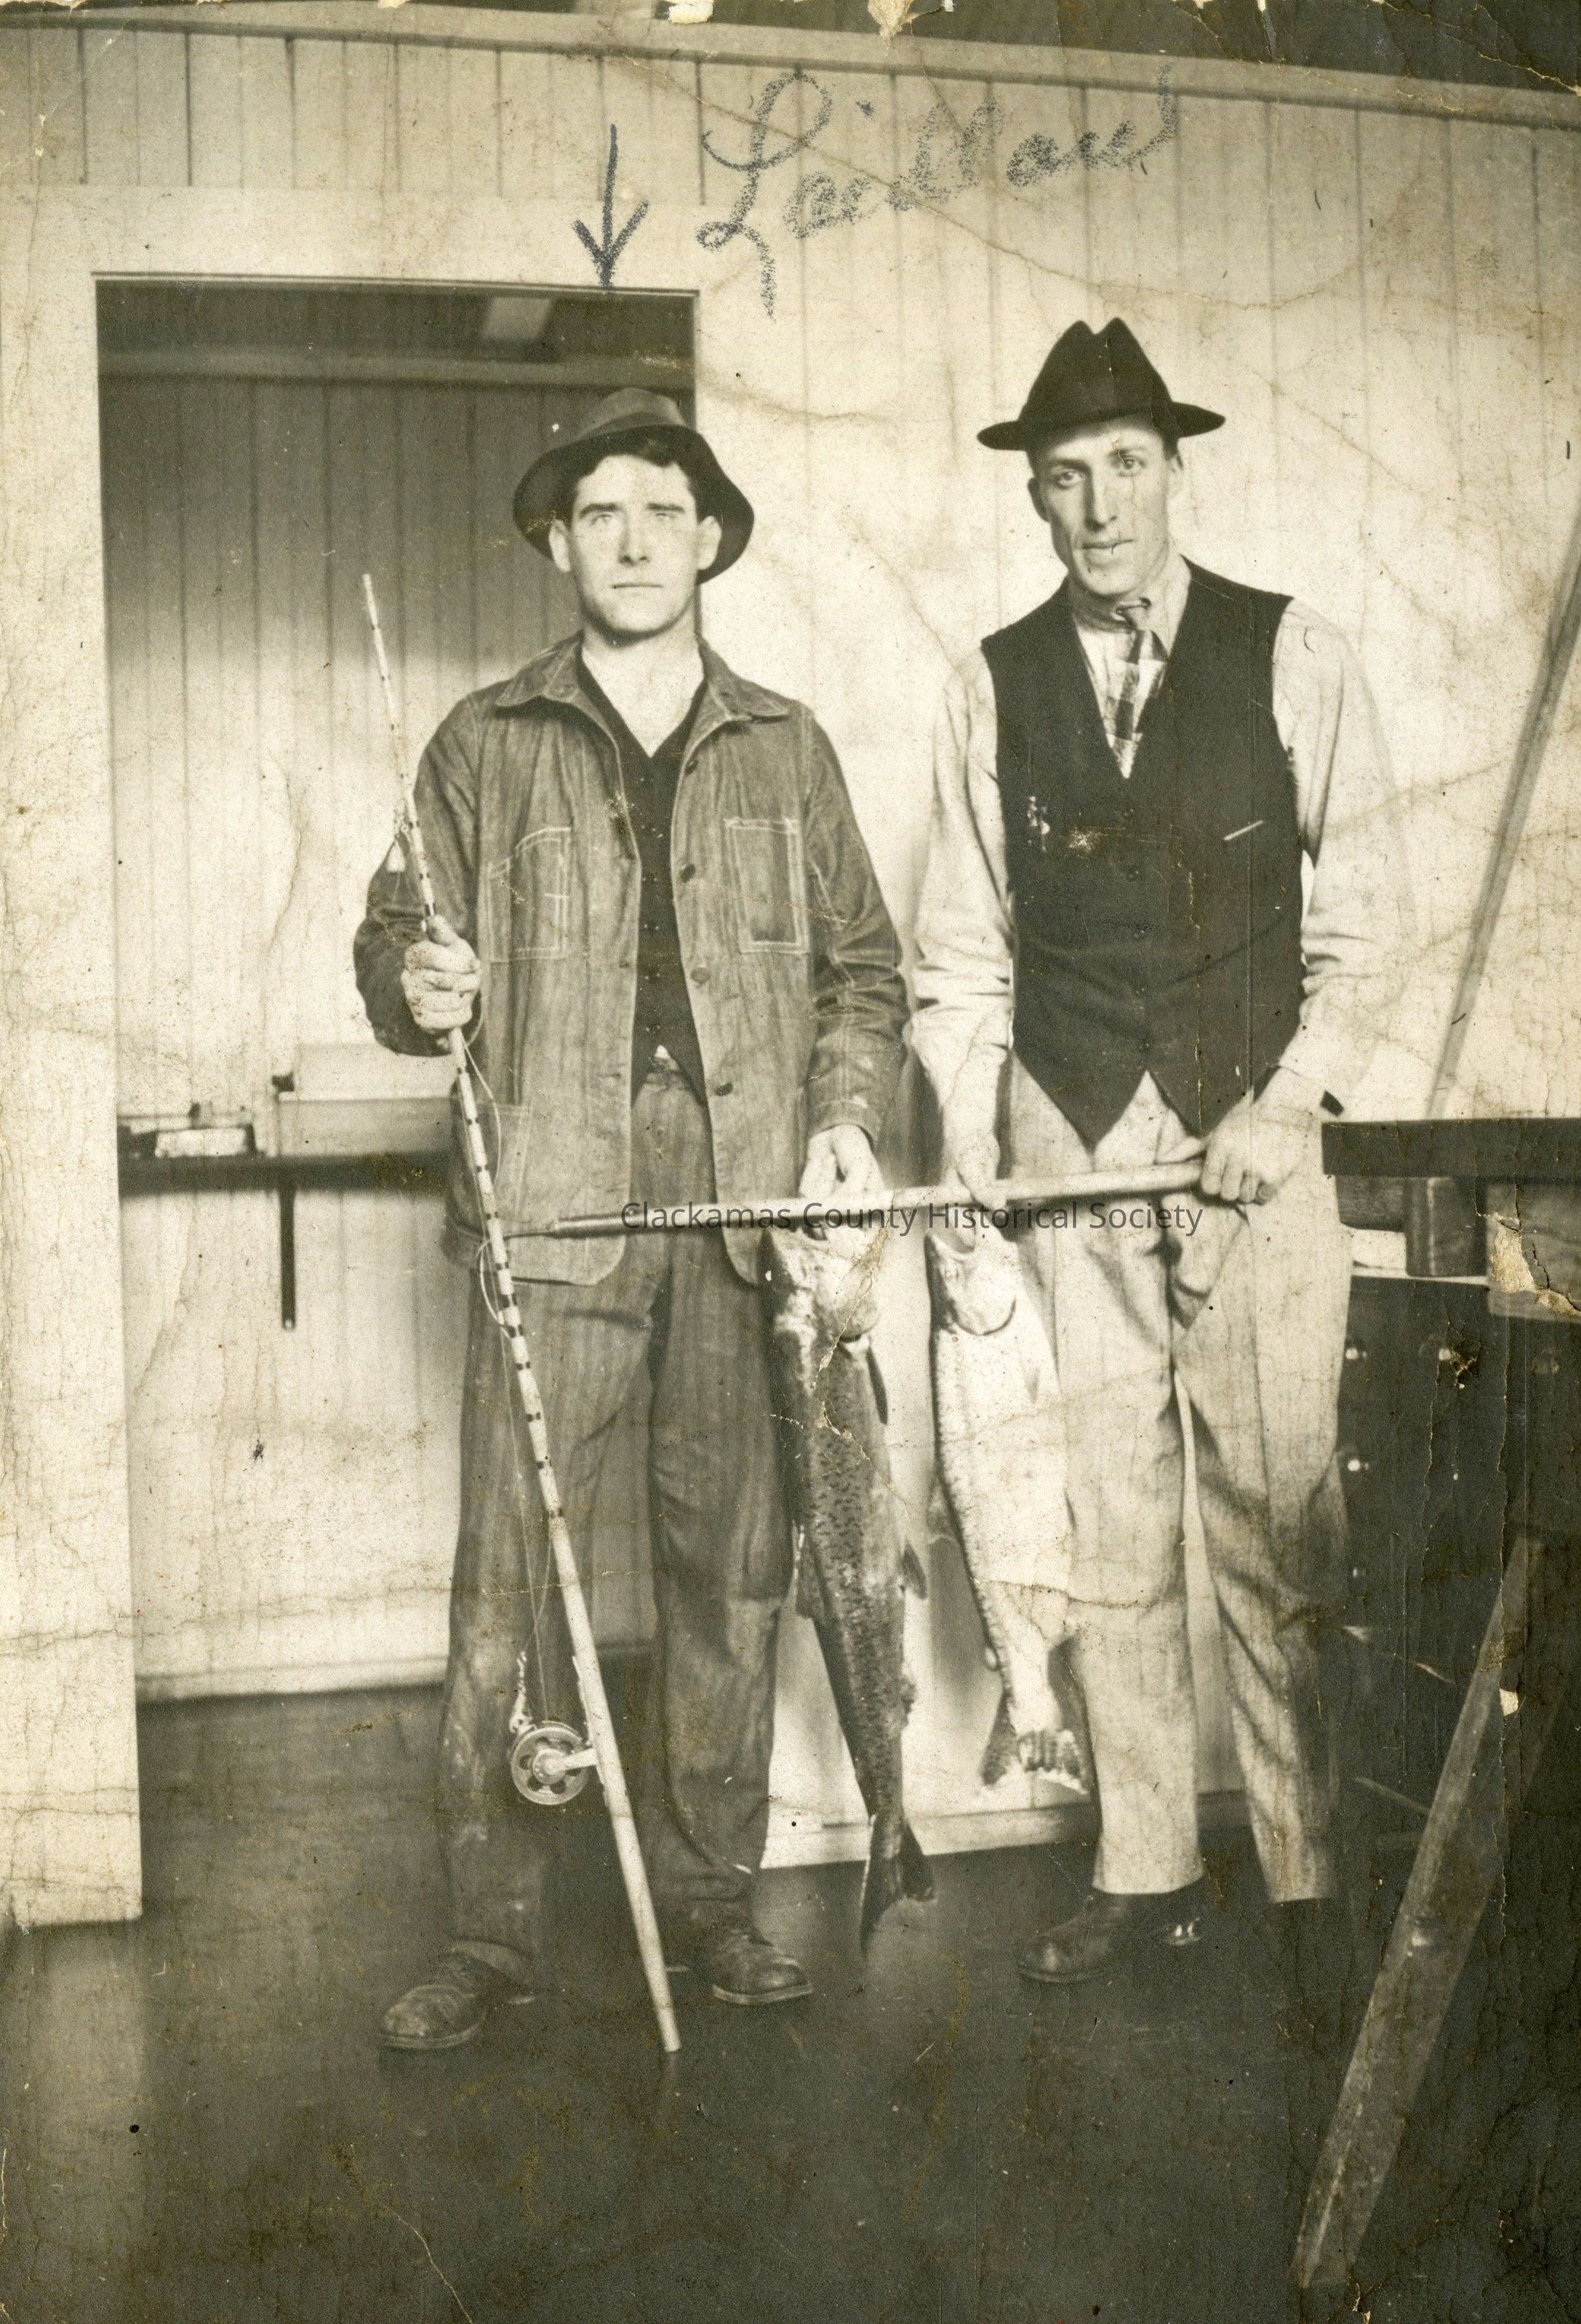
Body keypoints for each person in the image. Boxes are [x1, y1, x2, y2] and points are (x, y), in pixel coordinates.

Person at [355, 389, 906, 2048]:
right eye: (602, 512)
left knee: (730, 1577)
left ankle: (714, 1904)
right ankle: (490, 1940)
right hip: (552, 1199)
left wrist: (842, 1118)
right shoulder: (481, 740)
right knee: (507, 1588)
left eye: (666, 509)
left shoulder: (787, 745)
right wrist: (414, 979)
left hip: (742, 1211)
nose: (637, 538)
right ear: (559, 544)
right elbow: (391, 941)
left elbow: (863, 973)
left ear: (711, 539)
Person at [912, 320, 1411, 1990]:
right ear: (1034, 498)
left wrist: (1288, 1106)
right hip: (1070, 1148)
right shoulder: (987, 683)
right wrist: (982, 1135)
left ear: (1175, 472)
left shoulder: (1295, 651)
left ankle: (1311, 1885)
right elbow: (958, 955)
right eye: (1066, 477)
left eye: (1127, 465)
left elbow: (1367, 922)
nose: (1100, 505)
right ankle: (1145, 1873)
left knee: (1279, 1524)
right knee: (1109, 1528)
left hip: (1254, 1147)